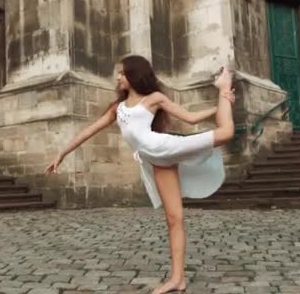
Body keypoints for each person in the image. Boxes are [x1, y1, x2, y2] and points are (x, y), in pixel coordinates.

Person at [45, 55, 235, 294]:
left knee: (226, 132)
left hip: (165, 146)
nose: (118, 78)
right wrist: (62, 152)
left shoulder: (154, 99)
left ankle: (224, 86)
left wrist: (223, 102)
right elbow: (89, 131)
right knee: (173, 219)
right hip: (156, 160)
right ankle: (178, 279)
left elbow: (191, 117)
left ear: (134, 75)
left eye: (122, 73)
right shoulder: (118, 109)